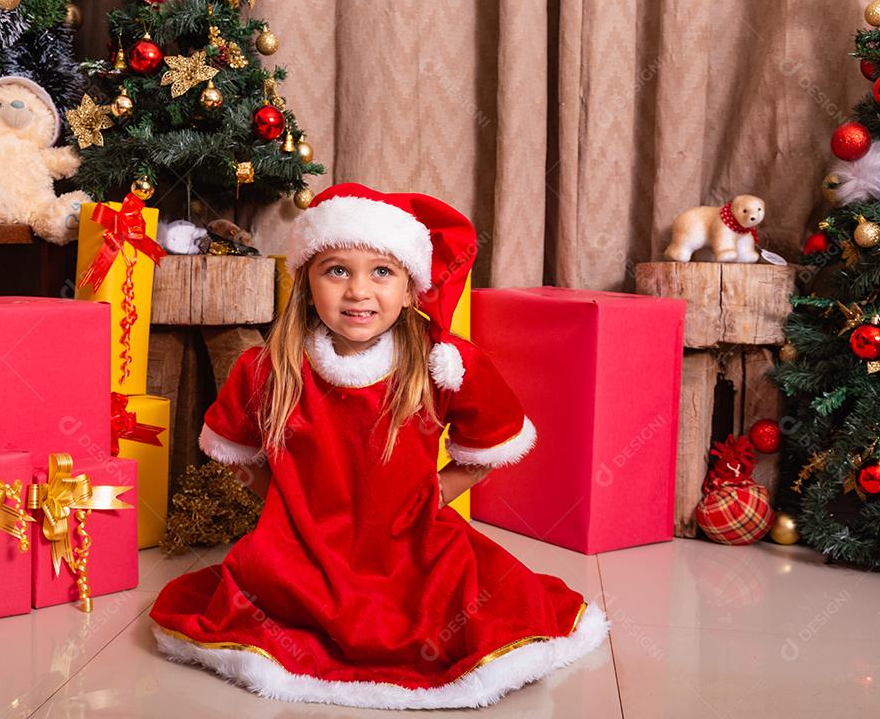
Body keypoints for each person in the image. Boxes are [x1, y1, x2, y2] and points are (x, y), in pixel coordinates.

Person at [150, 183, 608, 709]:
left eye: (382, 272)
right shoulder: (266, 367)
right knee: (268, 607)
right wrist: (286, 509)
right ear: (306, 282)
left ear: (412, 288)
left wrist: (434, 493)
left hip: (411, 547)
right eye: (337, 270)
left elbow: (491, 443)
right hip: (303, 551)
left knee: (456, 612)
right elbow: (234, 453)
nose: (358, 291)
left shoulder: (445, 364)